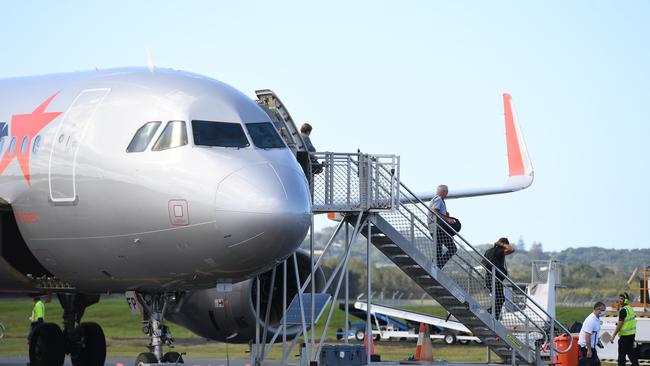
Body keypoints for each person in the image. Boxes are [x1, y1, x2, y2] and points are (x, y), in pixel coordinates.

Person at [482, 237, 515, 320]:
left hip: (488, 278)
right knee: (500, 299)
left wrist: (490, 270)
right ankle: (491, 317)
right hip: (496, 279)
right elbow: (511, 249)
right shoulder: (499, 251)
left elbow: (482, 262)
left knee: (497, 299)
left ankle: (490, 315)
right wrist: (501, 244)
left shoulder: (488, 251)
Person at [427, 185, 457, 268]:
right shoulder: (439, 199)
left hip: (433, 227)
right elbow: (435, 211)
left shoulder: (434, 199)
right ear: (443, 192)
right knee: (452, 248)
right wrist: (447, 219)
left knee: (438, 251)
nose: (447, 194)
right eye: (446, 192)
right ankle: (437, 267)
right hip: (438, 228)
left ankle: (433, 268)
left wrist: (445, 215)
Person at [610, 293, 639, 366]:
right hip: (631, 335)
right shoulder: (630, 308)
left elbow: (620, 324)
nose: (619, 300)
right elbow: (628, 322)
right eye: (619, 298)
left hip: (625, 337)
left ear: (625, 300)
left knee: (621, 356)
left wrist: (613, 336)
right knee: (631, 354)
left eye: (621, 299)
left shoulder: (623, 310)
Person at [578, 302, 606, 366]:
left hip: (590, 346)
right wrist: (589, 350)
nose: (603, 312)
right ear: (597, 309)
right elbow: (587, 336)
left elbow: (595, 333)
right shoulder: (591, 320)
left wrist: (598, 342)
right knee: (593, 363)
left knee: (593, 363)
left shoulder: (597, 319)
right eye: (602, 310)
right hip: (585, 347)